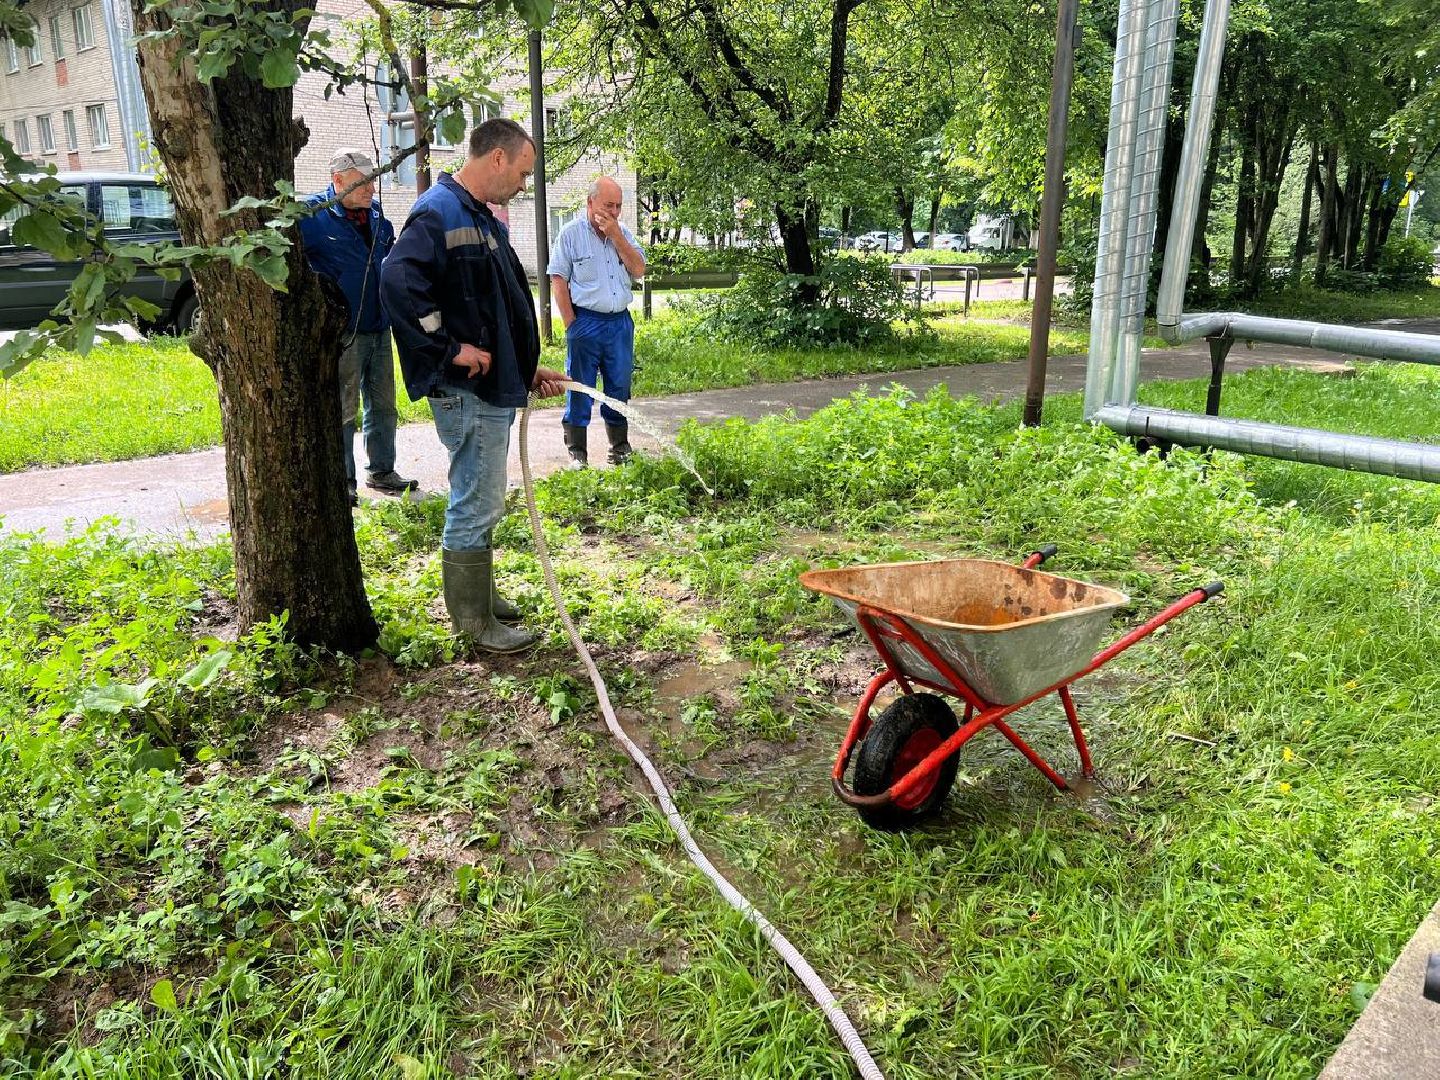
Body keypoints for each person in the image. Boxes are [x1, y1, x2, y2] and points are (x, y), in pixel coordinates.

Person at [380, 119, 566, 654]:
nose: (524, 185)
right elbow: (398, 283)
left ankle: (480, 595)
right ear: (499, 159)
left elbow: (490, 308)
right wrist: (447, 349)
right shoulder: (439, 212)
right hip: (467, 392)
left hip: (491, 387)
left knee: (483, 498)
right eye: (523, 173)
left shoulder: (477, 215)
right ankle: (472, 624)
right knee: (476, 501)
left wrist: (523, 370)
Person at [299, 148, 416, 506]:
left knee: (383, 404)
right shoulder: (312, 215)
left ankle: (382, 470)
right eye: (363, 183)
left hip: (379, 325)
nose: (371, 190)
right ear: (338, 180)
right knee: (344, 406)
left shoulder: (376, 214)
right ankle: (343, 480)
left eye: (373, 181)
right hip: (343, 330)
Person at [548, 176, 646, 468]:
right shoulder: (569, 234)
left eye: (618, 206)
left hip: (619, 324)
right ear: (590, 203)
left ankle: (619, 447)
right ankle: (577, 452)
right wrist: (571, 325)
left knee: (618, 386)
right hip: (585, 323)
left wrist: (616, 236)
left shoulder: (624, 233)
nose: (614, 211)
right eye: (608, 205)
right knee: (580, 387)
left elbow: (639, 269)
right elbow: (558, 280)